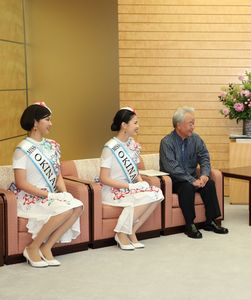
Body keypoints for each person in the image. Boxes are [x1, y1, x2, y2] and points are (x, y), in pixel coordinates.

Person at [10, 102, 83, 268]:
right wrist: (49, 195)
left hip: (51, 196)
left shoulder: (53, 146)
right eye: (47, 119)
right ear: (35, 123)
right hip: (31, 197)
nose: (51, 123)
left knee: (77, 206)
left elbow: (58, 175)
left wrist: (64, 193)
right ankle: (32, 247)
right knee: (65, 208)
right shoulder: (22, 149)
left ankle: (47, 247)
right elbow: (21, 183)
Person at [99, 107, 163, 250]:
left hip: (129, 188)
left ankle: (132, 231)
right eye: (135, 122)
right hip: (112, 190)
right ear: (124, 125)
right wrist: (131, 187)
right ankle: (121, 233)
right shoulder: (110, 148)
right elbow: (103, 178)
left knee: (157, 193)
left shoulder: (132, 145)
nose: (138, 126)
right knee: (144, 197)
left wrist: (140, 183)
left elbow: (134, 171)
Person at [159, 106, 228, 239]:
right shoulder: (167, 142)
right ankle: (190, 225)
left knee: (209, 185)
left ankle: (211, 221)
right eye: (190, 123)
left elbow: (204, 157)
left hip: (193, 177)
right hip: (174, 180)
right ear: (178, 125)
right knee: (187, 187)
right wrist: (192, 180)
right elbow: (172, 168)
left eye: (193, 123)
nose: (193, 126)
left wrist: (204, 175)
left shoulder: (196, 139)